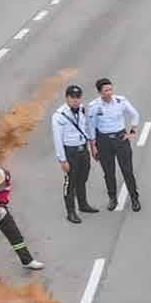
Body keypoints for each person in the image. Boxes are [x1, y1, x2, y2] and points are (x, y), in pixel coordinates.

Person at [0, 166, 45, 284]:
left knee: (13, 232)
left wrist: (2, 205)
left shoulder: (5, 177)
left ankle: (27, 261)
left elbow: (5, 191)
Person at [87, 77, 142, 212]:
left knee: (127, 170)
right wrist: (93, 147)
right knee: (108, 172)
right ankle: (112, 198)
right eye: (106, 90)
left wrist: (132, 132)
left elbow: (135, 115)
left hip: (120, 139)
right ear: (100, 92)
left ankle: (134, 197)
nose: (109, 92)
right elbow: (91, 127)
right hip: (103, 141)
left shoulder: (120, 101)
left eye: (111, 89)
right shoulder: (94, 106)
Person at [51, 84, 99, 224]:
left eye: (78, 97)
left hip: (82, 149)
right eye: (72, 98)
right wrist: (62, 160)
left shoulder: (83, 109)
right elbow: (57, 139)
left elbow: (87, 128)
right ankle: (70, 212)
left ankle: (83, 204)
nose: (76, 100)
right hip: (69, 151)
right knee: (70, 182)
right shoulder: (59, 115)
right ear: (67, 98)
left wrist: (92, 146)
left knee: (82, 178)